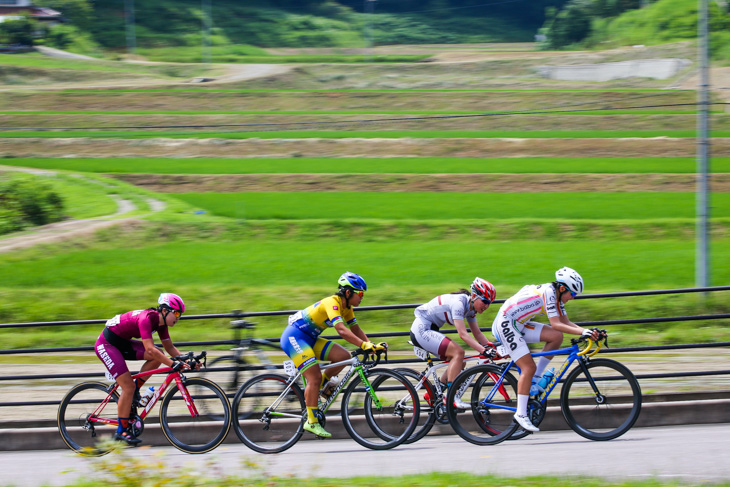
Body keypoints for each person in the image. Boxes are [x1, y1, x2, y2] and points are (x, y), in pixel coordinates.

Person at [491, 267, 599, 433]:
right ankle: (520, 414)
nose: (573, 298)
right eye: (573, 294)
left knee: (556, 337)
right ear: (562, 288)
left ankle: (535, 379)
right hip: (506, 323)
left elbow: (566, 323)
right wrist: (584, 332)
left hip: (519, 323)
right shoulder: (549, 293)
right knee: (528, 367)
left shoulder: (557, 298)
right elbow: (556, 323)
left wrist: (588, 332)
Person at [280, 271, 385, 438]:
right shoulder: (332, 303)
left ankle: (318, 389)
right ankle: (311, 421)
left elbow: (355, 329)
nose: (362, 297)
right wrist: (363, 345)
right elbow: (342, 330)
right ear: (348, 292)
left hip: (310, 338)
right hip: (294, 337)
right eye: (360, 294)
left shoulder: (347, 307)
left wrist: (370, 345)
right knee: (313, 377)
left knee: (343, 357)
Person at [94, 293, 194, 445]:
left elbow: (170, 348)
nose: (178, 318)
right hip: (107, 345)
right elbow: (149, 349)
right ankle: (121, 431)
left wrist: (189, 361)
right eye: (177, 313)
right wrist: (172, 364)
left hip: (122, 342)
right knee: (127, 386)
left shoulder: (162, 324)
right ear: (165, 311)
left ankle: (135, 388)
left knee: (158, 355)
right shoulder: (146, 318)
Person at [410, 277, 496, 409]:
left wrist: (491, 347)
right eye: (484, 301)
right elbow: (463, 334)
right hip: (422, 329)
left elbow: (477, 333)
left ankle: (431, 394)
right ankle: (451, 396)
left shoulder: (471, 309)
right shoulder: (459, 303)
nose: (486, 306)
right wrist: (483, 350)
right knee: (458, 352)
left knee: (460, 362)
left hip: (429, 328)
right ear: (474, 296)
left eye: (489, 302)